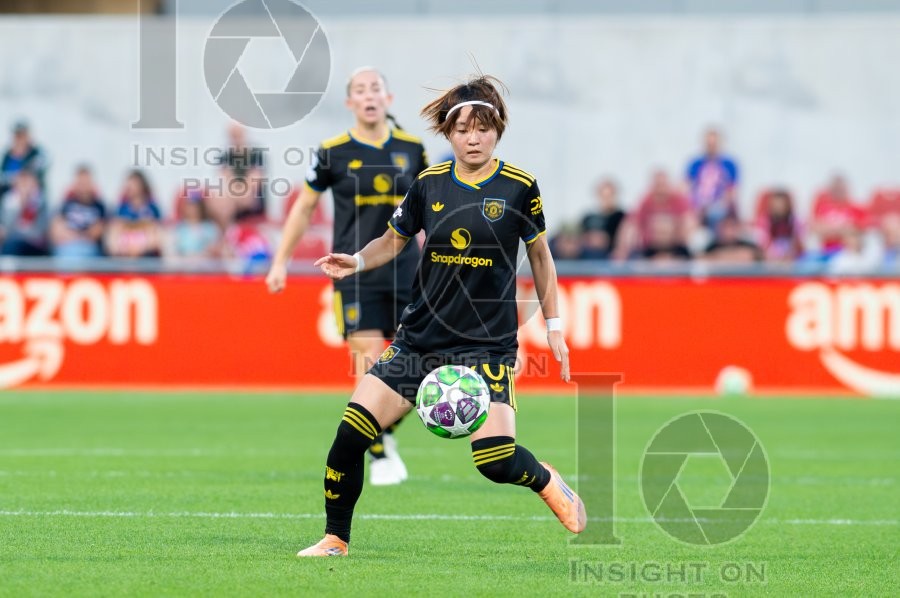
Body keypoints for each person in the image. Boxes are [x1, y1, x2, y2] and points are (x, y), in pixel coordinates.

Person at [297, 75, 584, 558]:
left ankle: (546, 479)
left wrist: (555, 328)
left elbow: (540, 258)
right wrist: (357, 260)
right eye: (462, 130)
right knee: (350, 434)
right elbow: (393, 240)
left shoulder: (519, 187)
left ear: (499, 131)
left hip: (487, 346)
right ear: (448, 135)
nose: (473, 138)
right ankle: (335, 539)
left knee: (494, 461)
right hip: (420, 341)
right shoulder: (428, 183)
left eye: (483, 129)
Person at [266, 67, 429, 486]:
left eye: (376, 87)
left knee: (423, 367)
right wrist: (280, 261)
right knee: (370, 360)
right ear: (350, 103)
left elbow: (430, 213)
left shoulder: (413, 149)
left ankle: (382, 429)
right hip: (354, 270)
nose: (368, 95)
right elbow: (303, 207)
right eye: (360, 90)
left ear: (388, 99)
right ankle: (377, 454)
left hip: (407, 271)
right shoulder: (332, 151)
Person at [685, 127, 739, 231]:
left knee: (716, 213)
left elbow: (732, 192)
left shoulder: (729, 164)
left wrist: (713, 206)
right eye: (709, 144)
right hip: (697, 208)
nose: (711, 147)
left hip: (719, 207)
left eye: (714, 144)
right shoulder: (695, 164)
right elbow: (686, 188)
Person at [50, 165, 107, 259]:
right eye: (80, 182)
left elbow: (96, 233)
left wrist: (77, 237)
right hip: (66, 247)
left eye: (86, 182)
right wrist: (77, 237)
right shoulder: (66, 204)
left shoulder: (99, 206)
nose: (83, 187)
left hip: (88, 249)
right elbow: (56, 230)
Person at [105, 170, 164, 258]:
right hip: (126, 244)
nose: (131, 187)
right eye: (129, 184)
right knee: (114, 230)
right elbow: (118, 225)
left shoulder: (152, 207)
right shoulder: (122, 208)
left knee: (155, 231)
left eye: (134, 184)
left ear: (142, 186)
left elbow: (156, 227)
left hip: (145, 246)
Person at [0, 168, 48, 256]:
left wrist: (27, 202)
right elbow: (6, 228)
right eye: (22, 184)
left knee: (12, 245)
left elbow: (40, 233)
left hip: (34, 245)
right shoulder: (9, 202)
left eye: (28, 184)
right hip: (12, 242)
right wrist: (21, 204)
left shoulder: (41, 203)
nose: (25, 188)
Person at [580, 178, 625, 260]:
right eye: (604, 196)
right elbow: (580, 239)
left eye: (609, 196)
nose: (606, 200)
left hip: (612, 260)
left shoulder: (622, 217)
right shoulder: (588, 218)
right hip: (589, 260)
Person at [0, 120, 48, 197]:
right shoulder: (7, 155)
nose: (20, 140)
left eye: (22, 135)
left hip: (32, 197)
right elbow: (2, 176)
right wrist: (13, 179)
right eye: (17, 136)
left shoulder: (37, 154)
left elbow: (41, 168)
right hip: (9, 194)